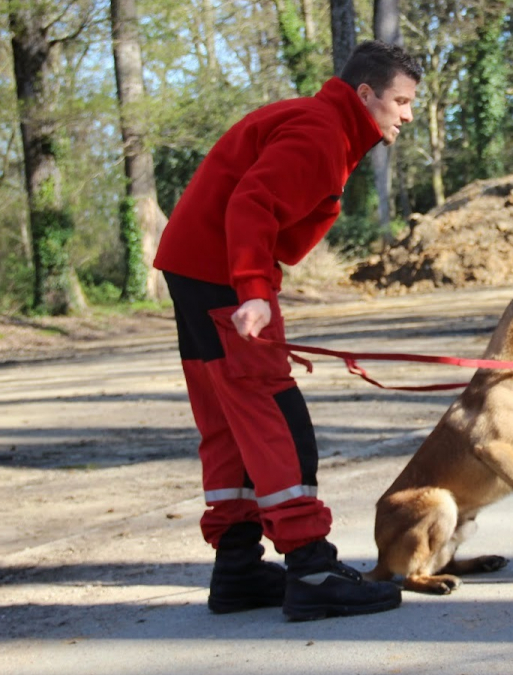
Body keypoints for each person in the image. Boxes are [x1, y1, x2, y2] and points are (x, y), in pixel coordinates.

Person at [152, 40, 421, 622]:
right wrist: (252, 290)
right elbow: (251, 205)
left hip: (197, 270)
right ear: (365, 94)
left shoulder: (320, 122)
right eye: (400, 101)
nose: (407, 114)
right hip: (221, 275)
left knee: (229, 425)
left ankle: (239, 568)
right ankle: (313, 569)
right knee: (276, 420)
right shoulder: (322, 132)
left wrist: (253, 282)